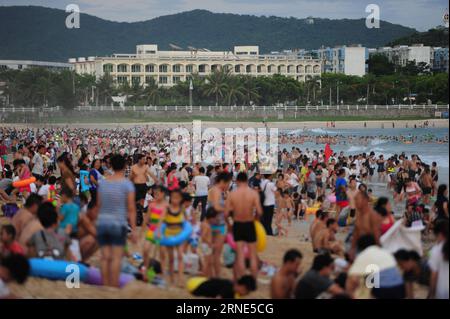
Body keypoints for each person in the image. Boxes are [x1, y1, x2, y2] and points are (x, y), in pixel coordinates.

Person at [96, 154, 136, 287]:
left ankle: (105, 285)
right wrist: (134, 230)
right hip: (118, 223)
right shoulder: (127, 184)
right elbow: (131, 208)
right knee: (116, 257)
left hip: (102, 222)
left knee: (105, 256)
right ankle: (112, 286)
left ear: (111, 165)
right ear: (125, 166)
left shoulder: (103, 182)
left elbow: (99, 204)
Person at [225, 172, 263, 279]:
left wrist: (229, 225)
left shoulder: (232, 194)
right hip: (249, 223)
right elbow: (259, 212)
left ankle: (242, 279)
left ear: (237, 181)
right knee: (252, 253)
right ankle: (254, 281)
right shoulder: (253, 194)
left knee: (240, 254)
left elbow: (226, 213)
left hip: (237, 223)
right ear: (247, 181)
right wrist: (256, 221)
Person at [158, 189, 186, 286]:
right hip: (169, 234)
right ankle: (172, 278)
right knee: (171, 258)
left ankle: (180, 278)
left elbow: (186, 221)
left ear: (181, 199)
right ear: (170, 198)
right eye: (173, 198)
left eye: (177, 198)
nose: (175, 200)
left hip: (179, 234)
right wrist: (158, 231)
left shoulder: (182, 208)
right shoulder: (167, 208)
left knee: (180, 256)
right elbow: (161, 220)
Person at [207, 172, 232, 278]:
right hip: (217, 225)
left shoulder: (215, 190)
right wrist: (230, 210)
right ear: (223, 182)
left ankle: (212, 275)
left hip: (215, 224)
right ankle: (216, 277)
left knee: (213, 253)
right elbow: (217, 207)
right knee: (216, 254)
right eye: (228, 183)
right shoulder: (216, 191)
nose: (228, 186)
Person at [188, 275, 257, 299]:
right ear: (242, 287)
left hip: (198, 280)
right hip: (194, 285)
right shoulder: (228, 288)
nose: (246, 294)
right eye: (247, 292)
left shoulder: (232, 288)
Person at [428, 221, 449, 299]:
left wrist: (431, 294)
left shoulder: (437, 250)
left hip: (443, 291)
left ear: (440, 234)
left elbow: (434, 276)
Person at [200, 207, 216, 278]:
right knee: (207, 263)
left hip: (204, 245)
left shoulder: (203, 223)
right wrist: (209, 243)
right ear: (211, 218)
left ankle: (210, 276)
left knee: (209, 262)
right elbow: (203, 237)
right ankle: (204, 276)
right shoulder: (207, 226)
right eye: (214, 218)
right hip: (206, 245)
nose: (215, 220)